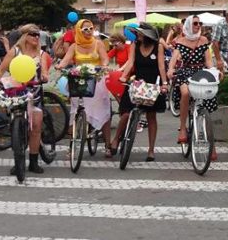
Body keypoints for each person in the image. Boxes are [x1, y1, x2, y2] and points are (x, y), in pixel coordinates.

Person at [0, 24, 52, 174]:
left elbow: (44, 71)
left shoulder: (42, 54)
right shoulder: (15, 51)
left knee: (36, 127)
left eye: (38, 35)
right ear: (25, 36)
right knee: (15, 126)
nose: (36, 37)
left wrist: (45, 77)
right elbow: (1, 69)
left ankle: (33, 161)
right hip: (16, 91)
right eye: (33, 34)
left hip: (35, 92)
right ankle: (18, 160)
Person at [58, 19, 112, 157]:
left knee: (104, 111)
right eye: (85, 29)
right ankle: (72, 147)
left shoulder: (98, 43)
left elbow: (105, 58)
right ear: (78, 31)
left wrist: (105, 65)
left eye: (91, 28)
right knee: (75, 112)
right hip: (80, 80)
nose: (88, 31)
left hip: (97, 80)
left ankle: (107, 145)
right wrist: (60, 66)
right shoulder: (74, 46)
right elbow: (66, 60)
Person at [114, 23, 167, 162]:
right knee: (126, 113)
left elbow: (161, 66)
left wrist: (165, 83)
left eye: (140, 33)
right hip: (137, 82)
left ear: (147, 35)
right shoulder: (135, 45)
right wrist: (124, 76)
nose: (137, 35)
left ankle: (151, 150)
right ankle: (115, 140)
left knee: (151, 116)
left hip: (152, 85)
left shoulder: (158, 47)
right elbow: (130, 62)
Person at [167, 16, 218, 158]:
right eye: (195, 23)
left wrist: (214, 71)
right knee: (185, 92)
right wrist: (171, 69)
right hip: (185, 71)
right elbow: (173, 60)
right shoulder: (180, 41)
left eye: (200, 23)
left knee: (206, 105)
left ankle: (211, 146)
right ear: (189, 25)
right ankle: (182, 128)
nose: (198, 25)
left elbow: (208, 61)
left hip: (201, 72)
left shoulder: (203, 40)